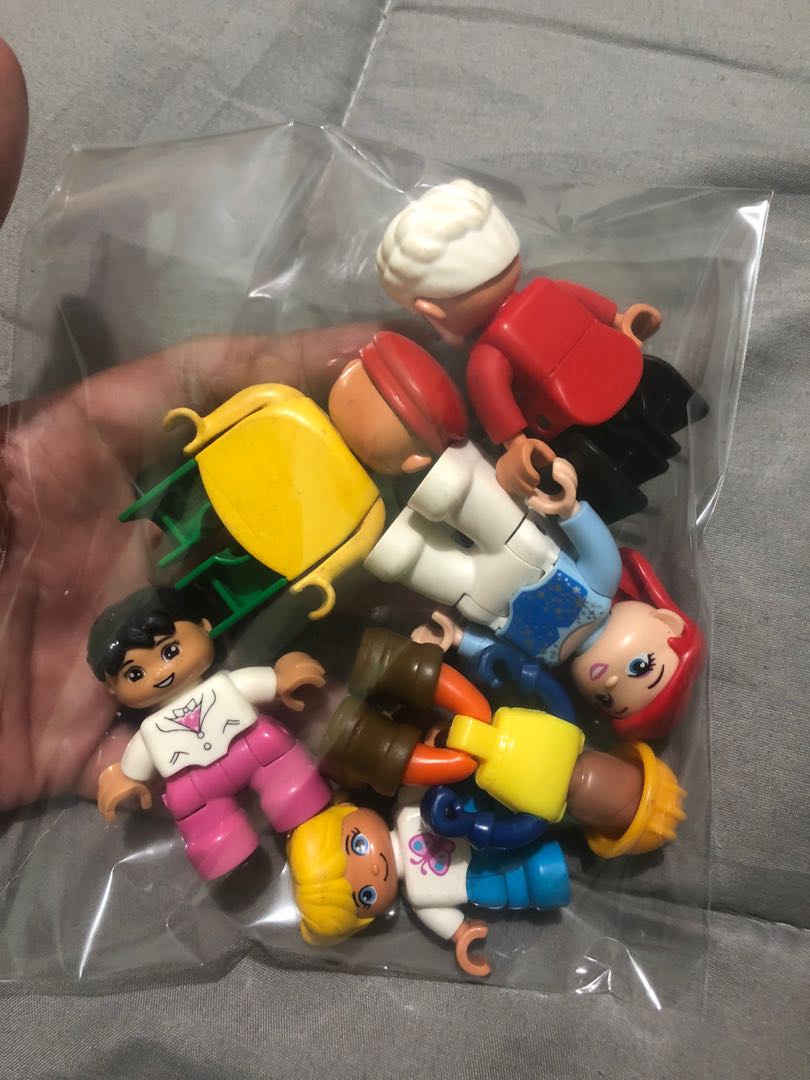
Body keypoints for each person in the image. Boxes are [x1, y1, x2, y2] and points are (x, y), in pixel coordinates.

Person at [376, 178, 662, 497]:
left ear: (430, 310)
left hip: (580, 402)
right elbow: (580, 298)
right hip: (603, 377)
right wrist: (620, 319)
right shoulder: (548, 289)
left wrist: (515, 444)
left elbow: (492, 396)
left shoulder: (487, 354)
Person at [87, 586, 331, 879]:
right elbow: (140, 756)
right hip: (195, 784)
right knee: (195, 812)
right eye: (135, 674)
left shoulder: (225, 684)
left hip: (253, 746)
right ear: (111, 688)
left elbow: (253, 683)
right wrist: (127, 777)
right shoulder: (150, 731)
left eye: (170, 651)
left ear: (204, 626)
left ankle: (296, 795)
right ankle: (219, 846)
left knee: (281, 761)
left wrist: (281, 679)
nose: (160, 673)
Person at [286, 790, 571, 978]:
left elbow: (426, 780)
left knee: (523, 801)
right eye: (366, 895)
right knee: (534, 877)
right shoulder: (419, 897)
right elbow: (439, 917)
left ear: (346, 810)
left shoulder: (407, 809)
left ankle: (561, 803)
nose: (373, 868)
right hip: (482, 877)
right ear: (368, 918)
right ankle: (550, 873)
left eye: (357, 844)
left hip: (478, 813)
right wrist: (462, 935)